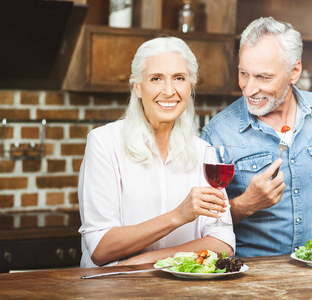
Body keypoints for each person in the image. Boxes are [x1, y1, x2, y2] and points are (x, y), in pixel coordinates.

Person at [200, 17, 312, 257]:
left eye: (263, 77)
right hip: (251, 275)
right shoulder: (217, 132)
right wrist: (246, 204)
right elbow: (202, 221)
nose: (249, 89)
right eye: (243, 73)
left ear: (294, 71)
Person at [78, 37, 235, 268]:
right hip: (114, 288)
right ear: (138, 87)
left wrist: (148, 260)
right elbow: (100, 248)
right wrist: (178, 215)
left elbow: (223, 242)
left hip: (182, 289)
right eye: (156, 79)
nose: (169, 91)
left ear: (190, 86)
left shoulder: (204, 152)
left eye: (179, 78)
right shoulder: (103, 142)